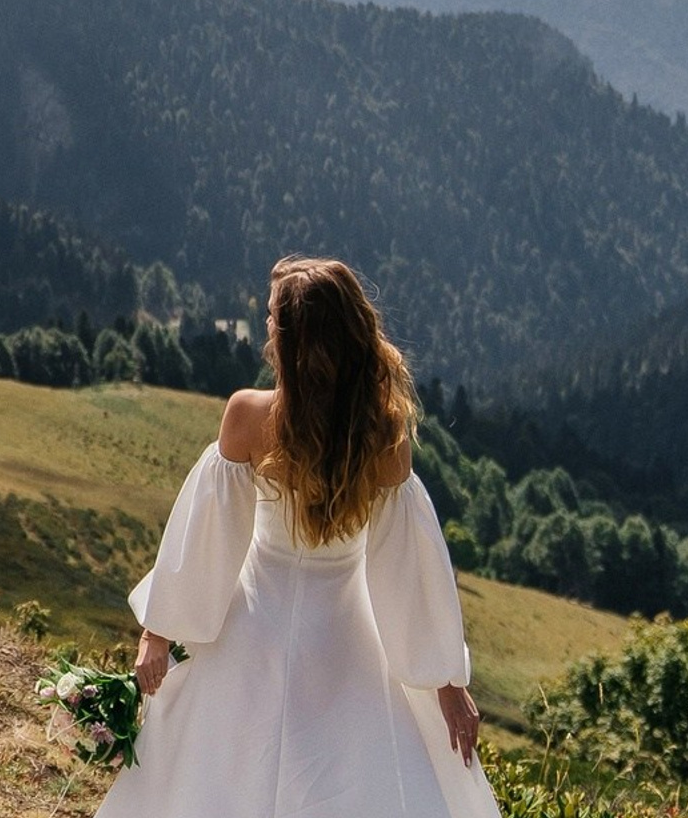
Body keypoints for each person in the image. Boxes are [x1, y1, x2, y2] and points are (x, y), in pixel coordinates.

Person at [95, 256, 498, 818]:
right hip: (347, 647)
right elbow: (408, 570)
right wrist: (445, 682)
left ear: (292, 341)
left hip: (250, 634)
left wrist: (158, 631)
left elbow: (207, 539)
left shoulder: (249, 415)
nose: (264, 325)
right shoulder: (384, 434)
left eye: (270, 317)